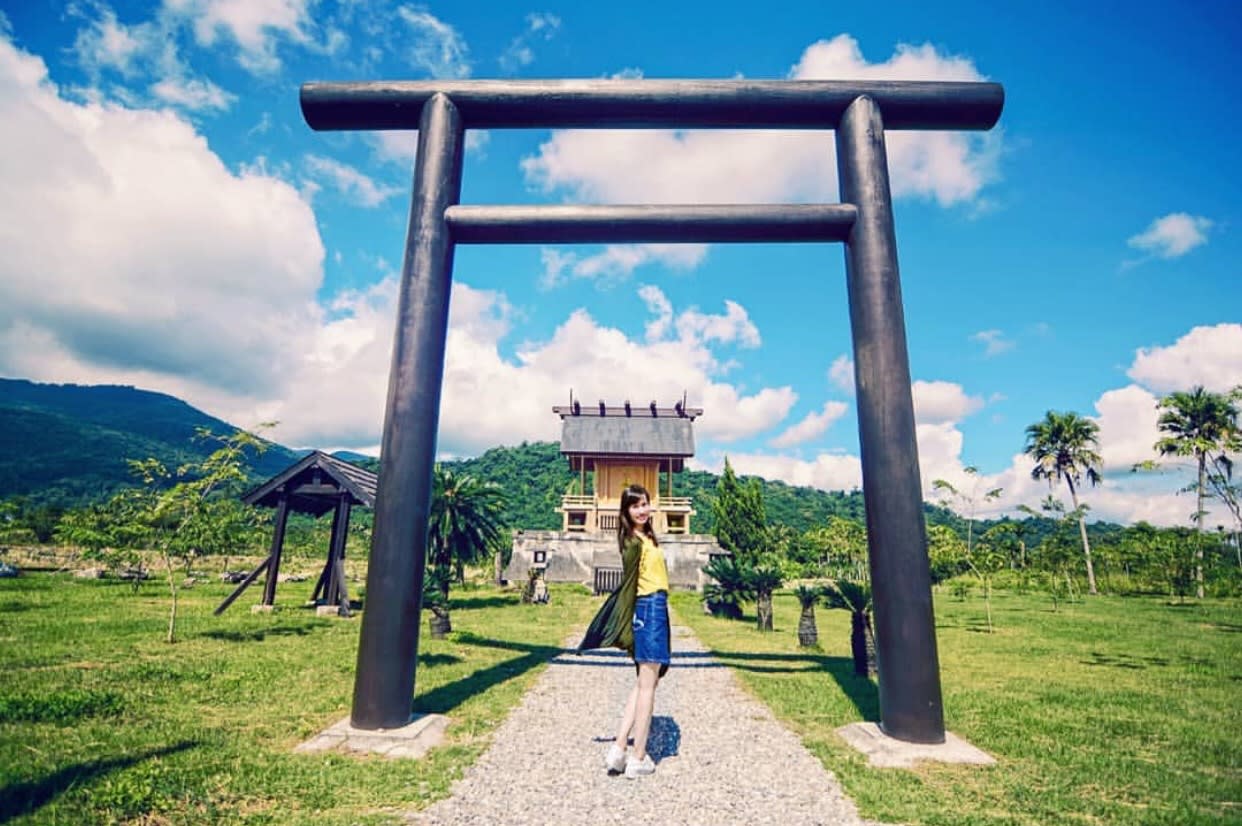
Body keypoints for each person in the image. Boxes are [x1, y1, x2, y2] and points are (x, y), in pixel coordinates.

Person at [577, 483, 671, 779]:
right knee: (648, 686)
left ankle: (618, 750)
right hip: (650, 608)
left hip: (652, 608)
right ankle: (638, 757)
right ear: (626, 511)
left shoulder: (644, 536)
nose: (643, 509)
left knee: (644, 683)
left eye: (645, 503)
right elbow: (628, 588)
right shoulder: (634, 542)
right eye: (635, 506)